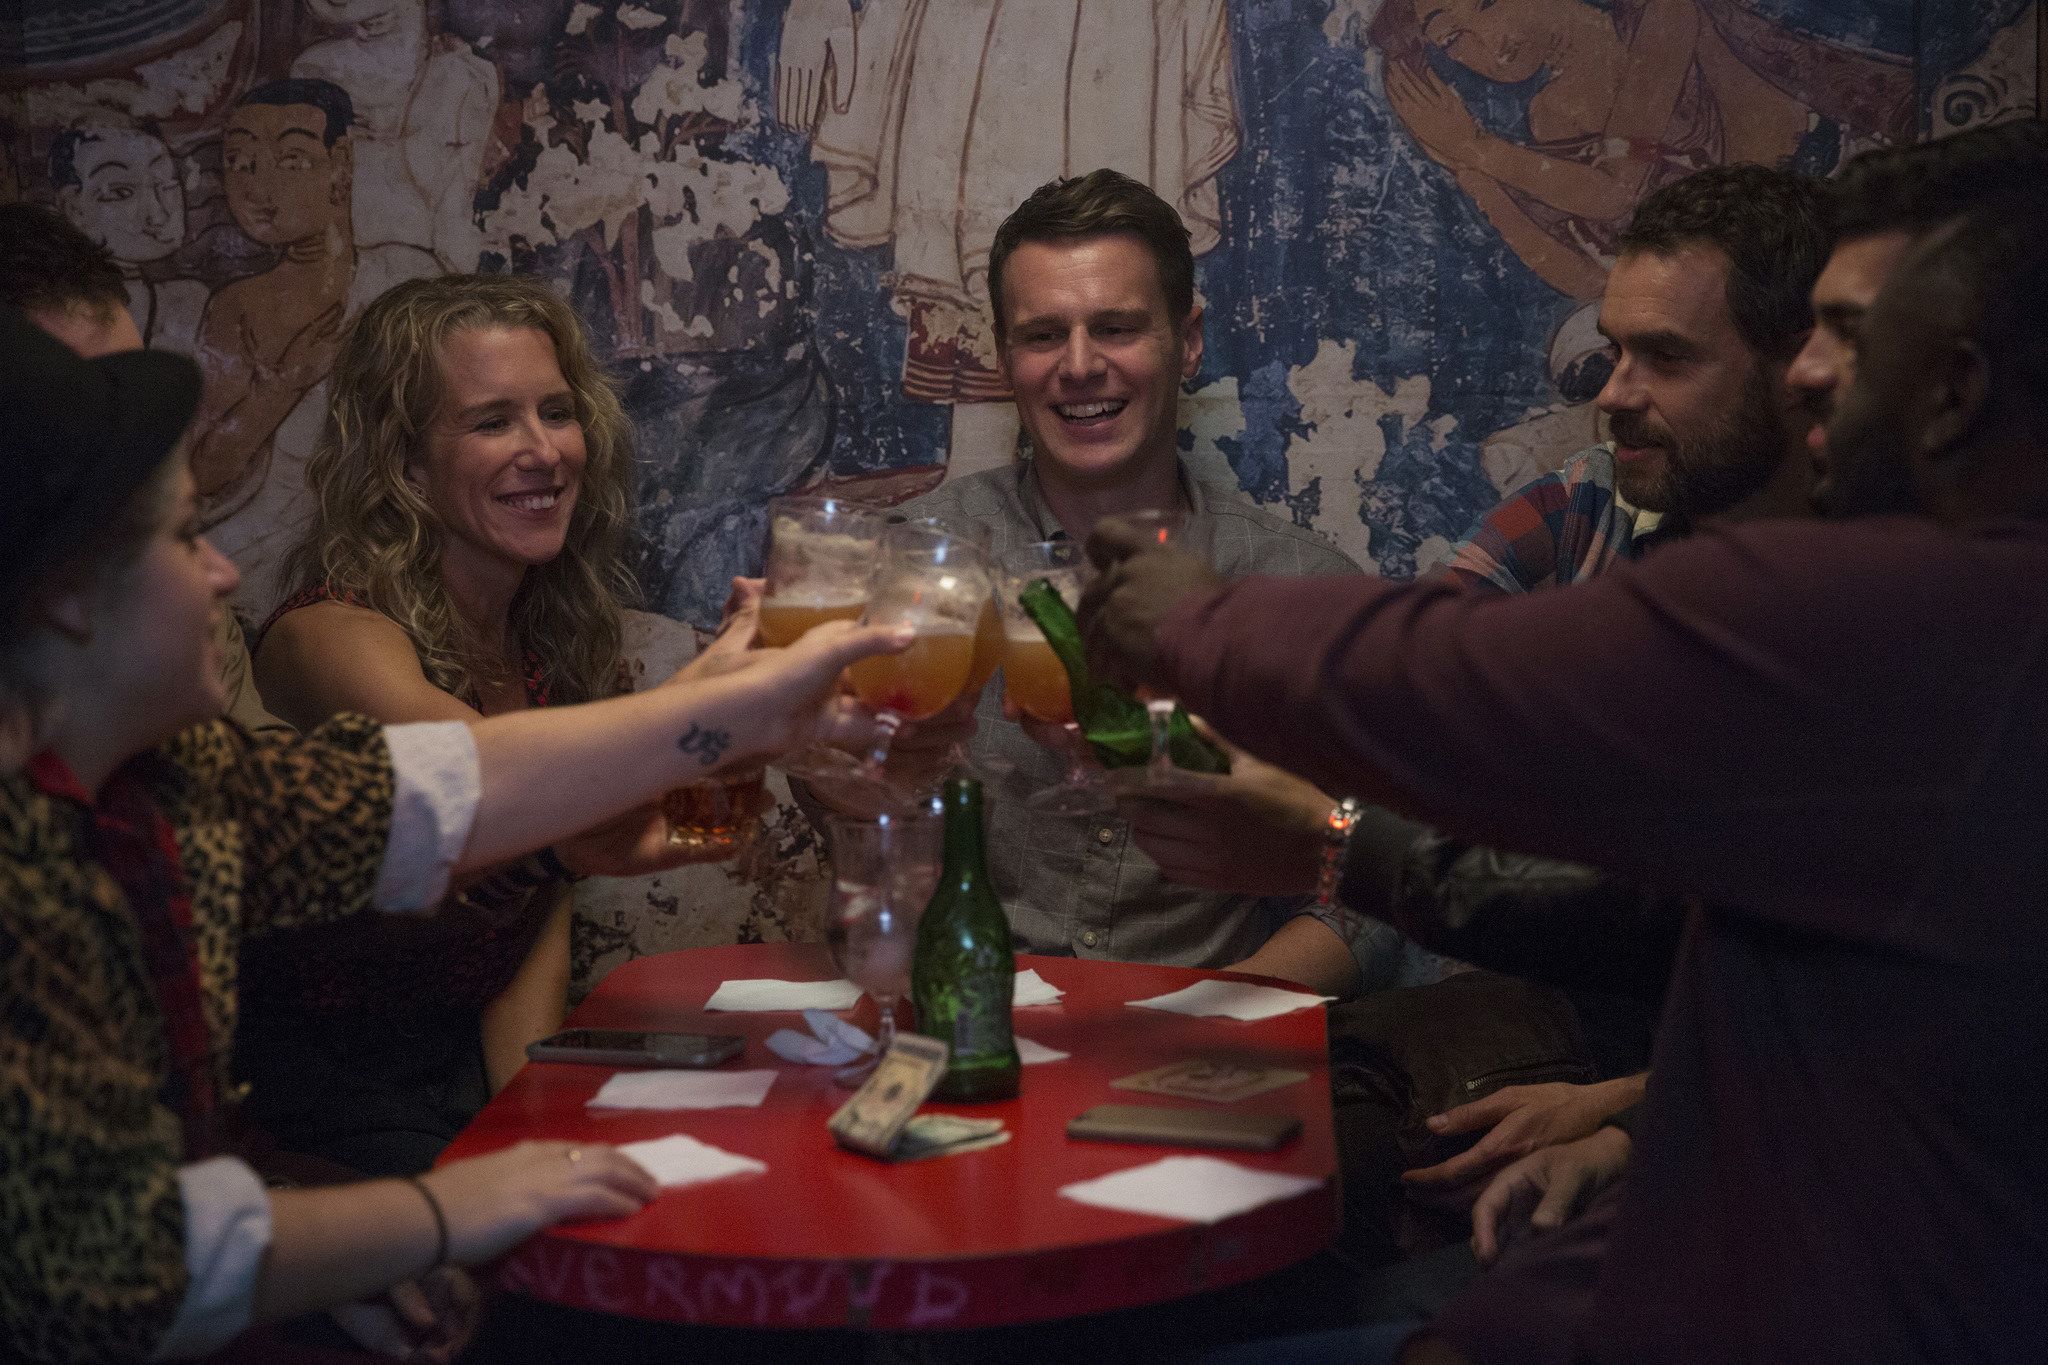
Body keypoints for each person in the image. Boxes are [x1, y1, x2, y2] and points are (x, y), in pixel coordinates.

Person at [1084, 185, 2048, 1361]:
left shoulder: (1911, 609)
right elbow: (1669, 931)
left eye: (1844, 334)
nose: (1808, 370)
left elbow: (1448, 677)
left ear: (1953, 387)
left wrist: (1195, 620)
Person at [0, 304, 909, 1362]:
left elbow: (428, 797)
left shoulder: (174, 781)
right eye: (187, 535)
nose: (223, 574)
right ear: (66, 595)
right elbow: (98, 1265)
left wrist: (704, 712)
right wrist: (441, 1214)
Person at [806, 168, 1367, 988]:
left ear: (1191, 339)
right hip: (971, 1021)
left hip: (1211, 1042)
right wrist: (825, 758)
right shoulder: (906, 563)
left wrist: (1218, 1023)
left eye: (1116, 327)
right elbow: (847, 824)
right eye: (1043, 335)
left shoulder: (1301, 586)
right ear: (1004, 357)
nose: (1079, 365)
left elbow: (1370, 896)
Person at [241, 272, 666, 1177]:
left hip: (453, 1074)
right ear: (404, 463)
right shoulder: (328, 632)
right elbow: (486, 776)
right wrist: (730, 703)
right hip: (315, 1092)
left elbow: (527, 932)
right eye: (491, 421)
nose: (545, 451)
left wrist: (534, 1120)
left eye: (557, 411)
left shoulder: (544, 647)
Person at [0, 201, 291, 743]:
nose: (139, 444)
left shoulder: (184, 598)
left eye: (130, 393)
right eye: (89, 413)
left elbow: (275, 783)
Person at [194, 78, 440, 620]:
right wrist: (290, 380)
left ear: (342, 163)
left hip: (399, 544)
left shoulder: (407, 276)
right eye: (239, 161)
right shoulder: (238, 306)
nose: (259, 187)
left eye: (291, 159)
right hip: (266, 552)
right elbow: (205, 469)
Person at [49, 120, 210, 354]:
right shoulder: (50, 311)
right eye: (120, 192)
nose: (157, 214)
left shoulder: (192, 302)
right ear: (74, 209)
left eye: (165, 183)